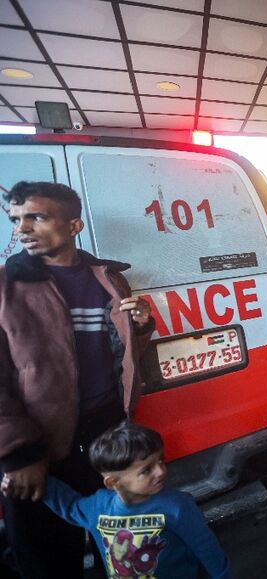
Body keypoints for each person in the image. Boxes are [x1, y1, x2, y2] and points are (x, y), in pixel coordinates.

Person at [0, 181, 154, 578]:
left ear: (74, 226)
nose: (22, 229)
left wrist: (142, 327)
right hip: (40, 447)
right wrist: (18, 454)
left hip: (106, 434)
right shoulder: (6, 286)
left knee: (119, 551)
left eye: (37, 216)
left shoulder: (107, 278)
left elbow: (119, 352)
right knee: (48, 561)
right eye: (16, 219)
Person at [37, 423, 230, 578]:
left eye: (161, 460)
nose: (161, 471)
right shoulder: (98, 506)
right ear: (113, 482)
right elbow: (70, 505)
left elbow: (207, 549)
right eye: (146, 470)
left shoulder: (177, 506)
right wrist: (39, 481)